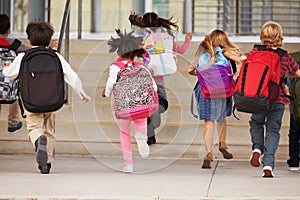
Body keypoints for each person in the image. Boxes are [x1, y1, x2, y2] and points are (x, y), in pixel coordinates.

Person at [3, 20, 91, 174]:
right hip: (52, 100)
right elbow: (71, 75)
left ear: (29, 40)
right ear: (50, 39)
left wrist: (5, 69)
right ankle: (46, 164)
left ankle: (38, 140)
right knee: (49, 130)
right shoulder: (56, 56)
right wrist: (81, 92)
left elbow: (10, 75)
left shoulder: (23, 56)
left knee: (35, 127)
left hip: (31, 100)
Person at [246, 21, 300, 177]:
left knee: (256, 122)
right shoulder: (286, 56)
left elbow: (243, 59)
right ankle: (268, 165)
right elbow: (296, 73)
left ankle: (257, 148)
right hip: (278, 98)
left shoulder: (255, 51)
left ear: (262, 37)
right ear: (280, 37)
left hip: (259, 97)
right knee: (273, 130)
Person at [129, 12, 192, 145]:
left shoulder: (141, 39)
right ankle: (157, 112)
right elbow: (181, 50)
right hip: (159, 78)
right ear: (159, 23)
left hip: (145, 78)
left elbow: (134, 54)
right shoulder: (166, 38)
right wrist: (188, 39)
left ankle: (149, 135)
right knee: (162, 101)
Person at [187, 29, 246, 169]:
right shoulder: (225, 53)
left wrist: (199, 72)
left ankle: (208, 153)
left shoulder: (203, 52)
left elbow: (191, 70)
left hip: (204, 90)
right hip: (223, 90)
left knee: (209, 122)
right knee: (221, 118)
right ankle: (222, 144)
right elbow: (241, 61)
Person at [102, 29, 157, 173]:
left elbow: (111, 83)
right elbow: (154, 87)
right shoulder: (142, 67)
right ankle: (142, 138)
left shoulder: (115, 67)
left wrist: (106, 93)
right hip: (141, 106)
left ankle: (128, 164)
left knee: (124, 134)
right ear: (135, 53)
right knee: (141, 127)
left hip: (124, 106)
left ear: (118, 52)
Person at [0, 13, 57, 133]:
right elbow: (32, 49)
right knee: (16, 88)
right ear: (8, 30)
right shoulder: (13, 43)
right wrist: (47, 45)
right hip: (8, 83)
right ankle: (13, 121)